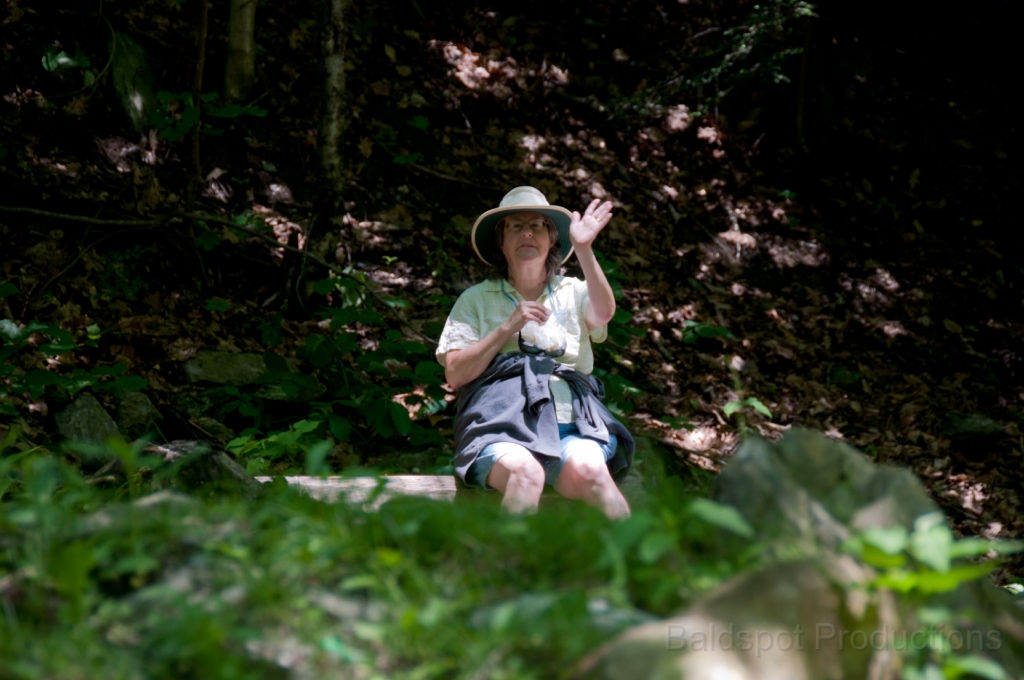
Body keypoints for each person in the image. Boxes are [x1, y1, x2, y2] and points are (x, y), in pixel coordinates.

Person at [436, 186, 634, 518]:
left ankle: (642, 568)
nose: (527, 232)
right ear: (500, 241)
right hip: (500, 423)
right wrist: (506, 328)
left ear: (552, 239)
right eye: (515, 225)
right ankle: (510, 568)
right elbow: (455, 374)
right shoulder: (476, 299)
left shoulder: (573, 291)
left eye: (537, 225)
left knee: (595, 475)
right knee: (526, 474)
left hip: (573, 423)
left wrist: (584, 248)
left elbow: (603, 314)